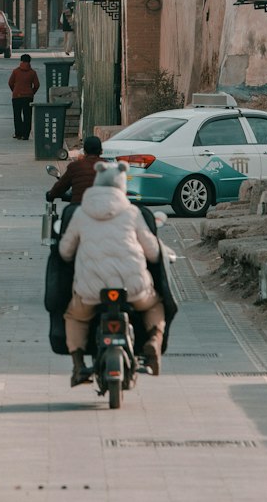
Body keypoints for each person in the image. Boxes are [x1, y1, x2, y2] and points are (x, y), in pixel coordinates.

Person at [57, 159, 166, 383]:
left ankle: (78, 365)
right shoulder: (133, 213)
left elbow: (65, 251)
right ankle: (153, 341)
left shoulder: (81, 213)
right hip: (133, 288)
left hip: (90, 290)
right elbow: (154, 253)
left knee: (74, 316)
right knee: (155, 305)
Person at [45, 135, 103, 205]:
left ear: (84, 151)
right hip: (103, 208)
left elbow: (62, 185)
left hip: (78, 207)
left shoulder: (75, 166)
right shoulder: (110, 167)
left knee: (66, 213)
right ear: (101, 151)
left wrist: (51, 194)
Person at [7, 53, 40, 140]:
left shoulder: (15, 71)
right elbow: (37, 85)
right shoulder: (32, 72)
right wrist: (32, 92)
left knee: (17, 115)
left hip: (16, 96)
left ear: (21, 61)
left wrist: (14, 90)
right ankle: (25, 135)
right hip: (28, 96)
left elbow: (10, 83)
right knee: (27, 115)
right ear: (30, 62)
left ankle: (18, 133)